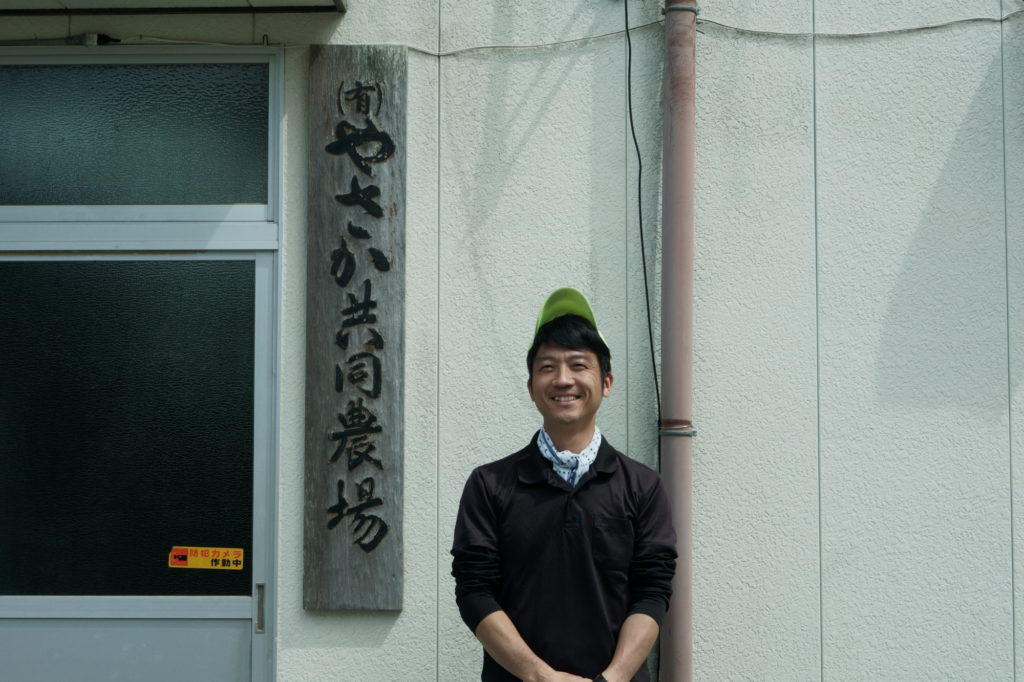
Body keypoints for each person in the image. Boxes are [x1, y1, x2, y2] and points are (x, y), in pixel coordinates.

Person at [451, 287, 678, 682]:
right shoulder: (489, 484)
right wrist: (541, 677)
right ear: (531, 388)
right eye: (547, 367)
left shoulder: (643, 486)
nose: (563, 379)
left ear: (606, 382)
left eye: (578, 365)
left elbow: (652, 592)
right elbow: (474, 592)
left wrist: (612, 678)